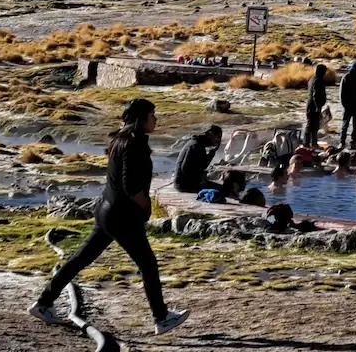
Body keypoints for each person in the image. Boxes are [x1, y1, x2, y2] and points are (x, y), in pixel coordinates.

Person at [28, 98, 189, 336]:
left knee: (80, 259)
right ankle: (161, 317)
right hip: (123, 216)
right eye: (152, 115)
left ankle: (43, 303)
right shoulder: (134, 144)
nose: (156, 119)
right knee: (148, 265)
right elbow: (129, 185)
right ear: (140, 119)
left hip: (107, 210)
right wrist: (145, 205)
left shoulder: (119, 139)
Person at [174, 125, 223, 193]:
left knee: (223, 188)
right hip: (184, 184)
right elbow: (185, 169)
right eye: (218, 137)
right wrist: (199, 178)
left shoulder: (199, 144)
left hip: (185, 183)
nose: (219, 140)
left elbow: (201, 165)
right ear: (211, 134)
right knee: (224, 189)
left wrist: (212, 153)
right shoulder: (196, 146)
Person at [339, 61, 356, 150]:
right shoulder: (347, 77)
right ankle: (342, 142)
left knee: (355, 126)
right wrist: (345, 105)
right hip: (348, 106)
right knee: (345, 125)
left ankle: (353, 143)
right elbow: (342, 93)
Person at [304, 64, 328, 149]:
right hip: (314, 106)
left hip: (311, 104)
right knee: (311, 125)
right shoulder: (318, 80)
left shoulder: (312, 79)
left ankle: (312, 143)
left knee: (314, 125)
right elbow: (316, 94)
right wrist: (318, 106)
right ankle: (307, 143)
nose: (325, 73)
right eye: (324, 71)